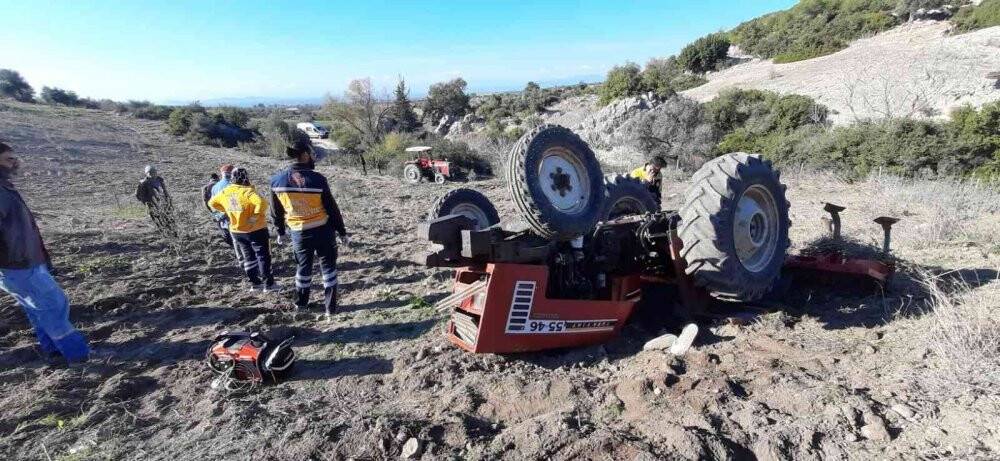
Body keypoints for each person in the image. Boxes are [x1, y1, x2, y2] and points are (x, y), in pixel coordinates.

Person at [0, 142, 90, 363]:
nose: (15, 163)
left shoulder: (5, 186)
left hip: (22, 262)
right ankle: (77, 356)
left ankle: (55, 351)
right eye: (9, 159)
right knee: (53, 304)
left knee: (38, 308)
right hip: (19, 264)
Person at [270, 142, 348, 316]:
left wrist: (280, 231)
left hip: (299, 232)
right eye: (311, 154)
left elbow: (276, 211)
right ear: (304, 155)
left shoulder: (277, 181)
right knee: (328, 269)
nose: (312, 157)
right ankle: (330, 309)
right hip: (323, 230)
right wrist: (341, 231)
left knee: (303, 269)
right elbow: (331, 208)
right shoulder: (318, 179)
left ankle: (301, 304)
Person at [208, 168, 277, 292]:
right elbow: (262, 203)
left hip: (237, 230)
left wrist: (227, 210)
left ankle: (255, 284)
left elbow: (212, 203)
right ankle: (269, 285)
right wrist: (254, 216)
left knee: (248, 257)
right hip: (256, 229)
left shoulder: (225, 192)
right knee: (263, 256)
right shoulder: (248, 191)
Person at [135, 165, 176, 236]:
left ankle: (174, 233)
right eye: (151, 173)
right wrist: (146, 202)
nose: (153, 174)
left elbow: (165, 191)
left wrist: (169, 201)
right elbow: (138, 195)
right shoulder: (143, 183)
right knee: (159, 221)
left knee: (170, 219)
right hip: (152, 205)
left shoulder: (159, 179)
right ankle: (165, 235)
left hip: (163, 203)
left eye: (154, 172)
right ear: (147, 174)